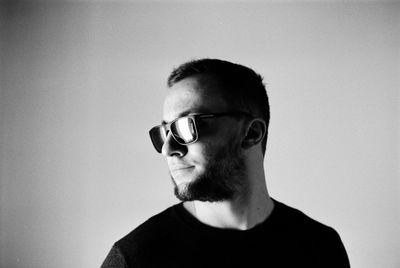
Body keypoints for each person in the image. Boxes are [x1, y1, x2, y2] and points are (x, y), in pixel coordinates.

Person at [101, 58, 350, 268]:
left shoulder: (319, 247)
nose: (168, 148)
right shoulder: (135, 259)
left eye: (188, 126)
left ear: (252, 133)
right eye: (166, 131)